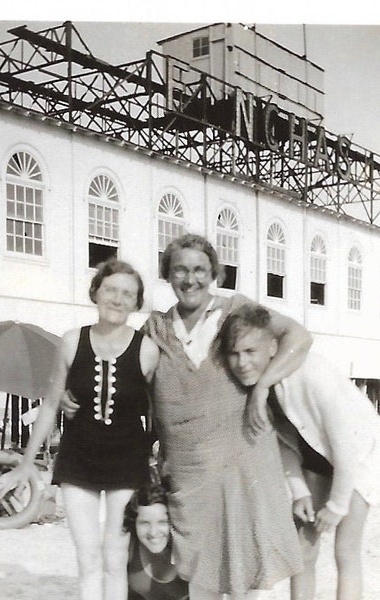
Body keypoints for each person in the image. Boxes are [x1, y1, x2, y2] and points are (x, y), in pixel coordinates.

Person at [64, 234, 312, 600]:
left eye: (199, 269)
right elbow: (122, 378)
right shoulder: (154, 330)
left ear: (214, 274)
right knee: (200, 575)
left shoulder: (236, 311)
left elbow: (299, 336)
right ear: (168, 274)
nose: (190, 279)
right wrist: (69, 395)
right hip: (186, 471)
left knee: (246, 577)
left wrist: (263, 387)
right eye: (180, 269)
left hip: (243, 460)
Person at [0, 258, 160, 600]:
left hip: (128, 463)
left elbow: (159, 413)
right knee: (87, 559)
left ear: (137, 302)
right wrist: (25, 464)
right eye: (110, 289)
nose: (117, 299)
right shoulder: (71, 341)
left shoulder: (148, 350)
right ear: (96, 292)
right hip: (78, 459)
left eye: (128, 294)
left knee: (115, 558)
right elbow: (51, 404)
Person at [216, 303, 380, 600]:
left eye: (250, 352)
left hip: (361, 460)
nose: (242, 362)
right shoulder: (254, 391)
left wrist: (336, 507)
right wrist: (299, 492)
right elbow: (284, 445)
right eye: (234, 354)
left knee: (345, 549)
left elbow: (347, 448)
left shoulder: (314, 375)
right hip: (319, 460)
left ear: (273, 347)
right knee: (301, 551)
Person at [123, 482, 189, 600]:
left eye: (162, 522)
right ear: (134, 523)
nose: (153, 532)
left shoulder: (187, 549)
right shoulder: (128, 547)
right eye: (144, 523)